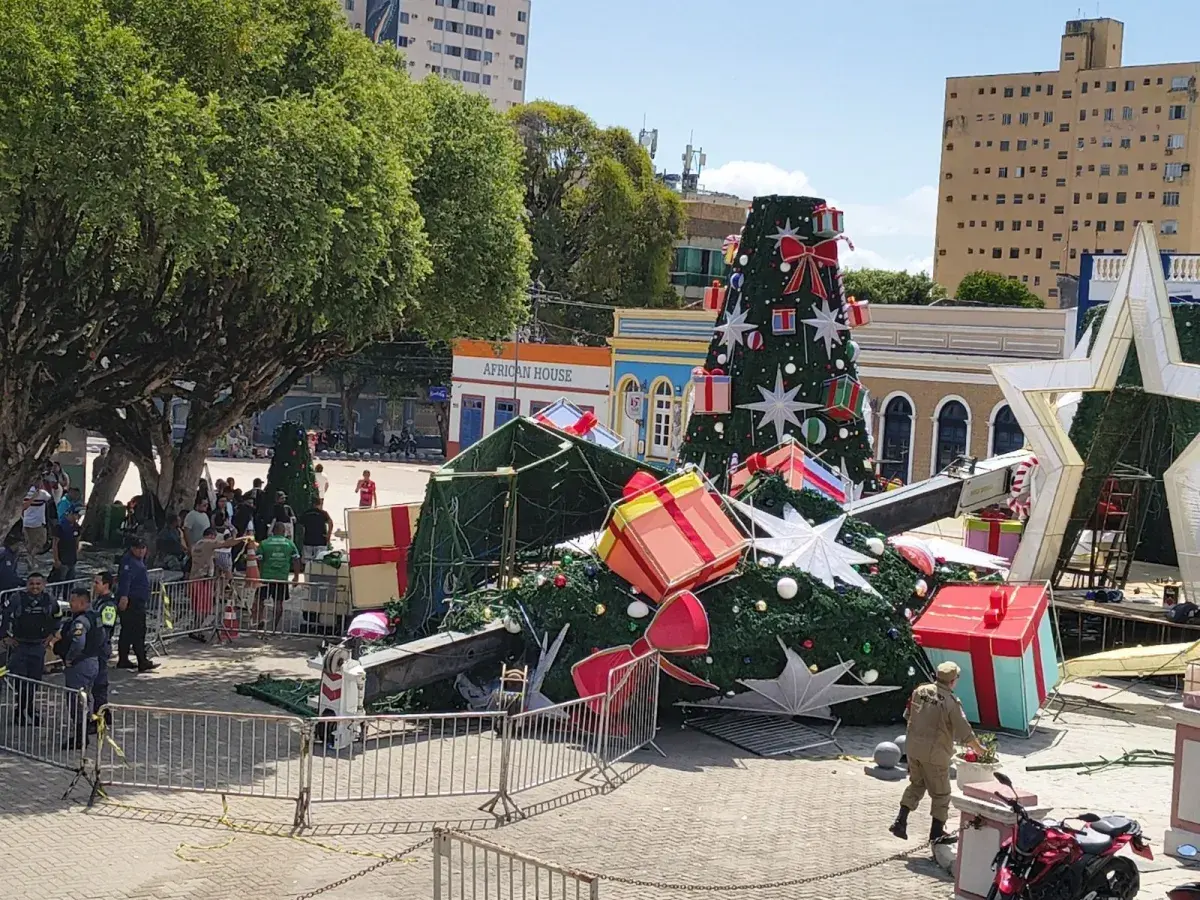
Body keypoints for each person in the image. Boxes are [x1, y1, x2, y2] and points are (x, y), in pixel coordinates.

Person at [889, 661, 986, 844]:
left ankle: (900, 821)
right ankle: (936, 833)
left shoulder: (920, 691)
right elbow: (964, 730)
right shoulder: (950, 702)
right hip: (935, 754)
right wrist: (979, 749)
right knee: (941, 794)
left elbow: (907, 715)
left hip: (913, 749)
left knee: (916, 785)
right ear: (952, 681)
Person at [4, 573, 62, 724]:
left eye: (38, 583)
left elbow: (58, 617)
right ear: (26, 585)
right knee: (21, 681)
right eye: (31, 583)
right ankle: (21, 711)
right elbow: (4, 617)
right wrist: (4, 637)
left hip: (38, 646)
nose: (35, 587)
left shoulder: (49, 600)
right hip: (20, 646)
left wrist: (52, 635)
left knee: (34, 681)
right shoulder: (17, 599)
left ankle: (27, 709)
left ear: (44, 585)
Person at [56, 587, 103, 748]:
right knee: (86, 698)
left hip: (80, 665)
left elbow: (78, 643)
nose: (70, 603)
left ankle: (79, 738)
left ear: (82, 602)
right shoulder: (95, 616)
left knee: (76, 700)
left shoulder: (80, 621)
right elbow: (102, 637)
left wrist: (69, 658)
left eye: (73, 600)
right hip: (93, 662)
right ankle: (83, 732)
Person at [116, 538, 157, 673]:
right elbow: (125, 580)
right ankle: (141, 660)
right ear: (132, 548)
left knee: (127, 631)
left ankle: (124, 659)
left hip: (136, 600)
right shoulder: (129, 561)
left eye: (143, 548)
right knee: (138, 631)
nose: (141, 550)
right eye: (138, 548)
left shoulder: (138, 561)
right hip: (132, 601)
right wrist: (124, 596)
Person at [252, 523, 300, 630]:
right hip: (281, 578)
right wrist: (296, 577)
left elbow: (258, 559)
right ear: (284, 532)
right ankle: (274, 626)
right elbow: (296, 560)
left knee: (259, 600)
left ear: (272, 531)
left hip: (265, 577)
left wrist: (259, 573)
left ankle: (260, 621)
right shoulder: (290, 544)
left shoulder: (264, 543)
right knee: (278, 603)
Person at [91, 571, 119, 728]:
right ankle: (103, 714)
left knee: (99, 684)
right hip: (98, 647)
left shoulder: (108, 605)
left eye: (97, 583)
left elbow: (105, 630)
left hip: (100, 648)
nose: (94, 586)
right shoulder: (99, 601)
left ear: (106, 585)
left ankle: (100, 717)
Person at [21, 483, 52, 570]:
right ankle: (30, 557)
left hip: (26, 522)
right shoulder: (42, 494)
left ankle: (31, 562)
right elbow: (50, 498)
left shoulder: (25, 493)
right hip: (37, 523)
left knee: (30, 544)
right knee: (40, 543)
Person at [51, 504, 82, 584]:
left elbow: (77, 542)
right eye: (76, 514)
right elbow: (55, 544)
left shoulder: (77, 527)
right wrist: (56, 560)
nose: (77, 517)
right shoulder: (60, 526)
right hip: (62, 560)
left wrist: (76, 555)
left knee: (70, 582)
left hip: (72, 560)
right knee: (59, 582)